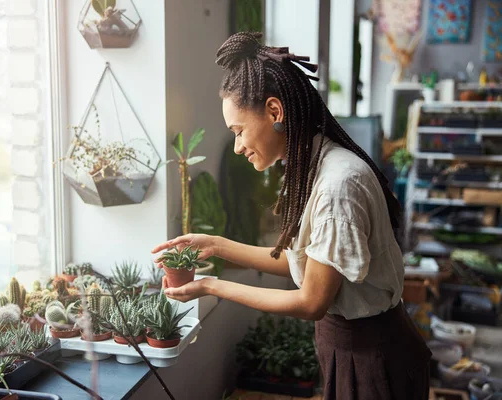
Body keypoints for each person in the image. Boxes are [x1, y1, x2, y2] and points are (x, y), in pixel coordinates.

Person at [151, 32, 431, 400]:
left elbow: (311, 300)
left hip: (373, 358)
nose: (237, 147)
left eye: (238, 131)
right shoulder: (308, 167)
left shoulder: (336, 185)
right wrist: (215, 246)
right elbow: (303, 264)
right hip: (348, 349)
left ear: (274, 112)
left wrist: (210, 286)